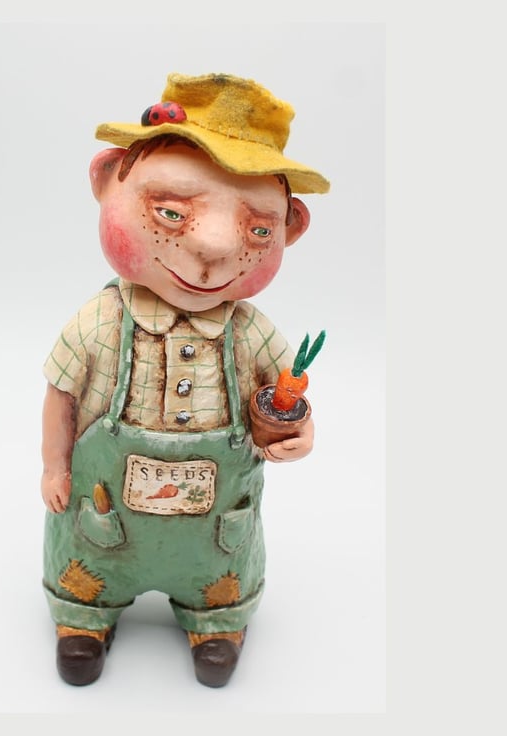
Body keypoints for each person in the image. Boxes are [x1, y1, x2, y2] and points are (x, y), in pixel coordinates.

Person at [40, 72, 330, 687]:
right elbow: (61, 395)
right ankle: (83, 618)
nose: (213, 247)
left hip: (214, 529)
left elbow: (284, 389)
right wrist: (55, 468)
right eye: (170, 212)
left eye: (259, 231)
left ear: (292, 227)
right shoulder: (101, 322)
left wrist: (298, 431)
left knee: (217, 578)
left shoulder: (249, 332)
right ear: (105, 180)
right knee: (87, 566)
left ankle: (216, 622)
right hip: (103, 511)